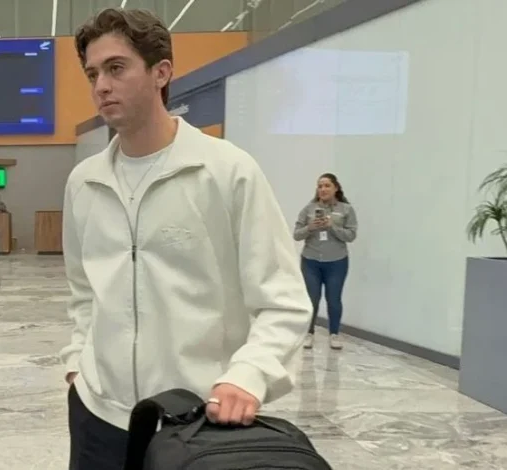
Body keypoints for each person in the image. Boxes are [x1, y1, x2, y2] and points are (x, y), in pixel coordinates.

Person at [60, 9, 313, 470]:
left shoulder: (225, 170)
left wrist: (248, 375)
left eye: (116, 68)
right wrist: (79, 361)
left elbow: (283, 299)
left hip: (195, 424)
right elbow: (83, 290)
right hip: (98, 416)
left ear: (161, 73)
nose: (101, 86)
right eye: (93, 74)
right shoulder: (84, 182)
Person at [293, 173, 358, 350]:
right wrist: (310, 227)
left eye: (327, 185)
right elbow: (296, 234)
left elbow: (351, 235)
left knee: (334, 299)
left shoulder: (346, 210)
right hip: (311, 261)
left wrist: (332, 226)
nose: (323, 189)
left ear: (336, 188)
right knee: (311, 299)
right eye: (320, 186)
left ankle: (334, 334)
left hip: (336, 261)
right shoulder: (309, 209)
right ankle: (309, 333)